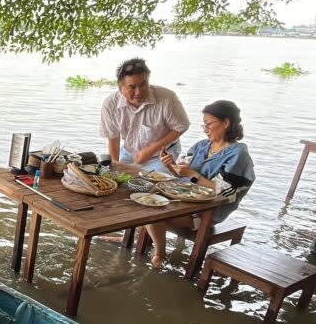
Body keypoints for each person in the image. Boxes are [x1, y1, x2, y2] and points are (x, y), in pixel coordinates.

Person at [144, 100, 255, 267]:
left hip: (207, 211)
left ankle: (160, 254)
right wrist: (169, 164)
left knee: (150, 214)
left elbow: (223, 192)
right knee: (145, 198)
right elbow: (182, 173)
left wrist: (191, 174)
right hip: (185, 200)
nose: (206, 129)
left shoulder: (238, 154)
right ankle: (139, 243)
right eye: (204, 125)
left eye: (209, 124)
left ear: (226, 123)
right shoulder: (202, 146)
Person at [100, 58, 190, 173]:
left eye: (143, 85)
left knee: (154, 183)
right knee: (120, 179)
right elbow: (113, 138)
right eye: (132, 87)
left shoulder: (167, 98)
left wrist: (150, 150)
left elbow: (181, 126)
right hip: (130, 152)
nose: (138, 92)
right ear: (120, 89)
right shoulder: (110, 105)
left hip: (163, 155)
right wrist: (114, 166)